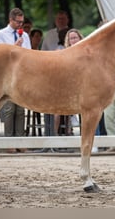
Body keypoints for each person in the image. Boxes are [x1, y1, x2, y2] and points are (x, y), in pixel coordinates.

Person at [0, 8, 31, 152]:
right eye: (18, 22)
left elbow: (29, 53)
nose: (20, 25)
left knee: (21, 109)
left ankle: (20, 141)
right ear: (11, 20)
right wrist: (14, 48)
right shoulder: (1, 34)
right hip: (7, 76)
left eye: (22, 22)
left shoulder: (25, 36)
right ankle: (9, 141)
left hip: (22, 75)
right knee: (8, 109)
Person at [41, 10, 69, 138]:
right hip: (50, 75)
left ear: (67, 20)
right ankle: (51, 134)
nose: (60, 21)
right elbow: (42, 54)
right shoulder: (49, 35)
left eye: (63, 18)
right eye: (58, 18)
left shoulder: (72, 34)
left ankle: (64, 132)